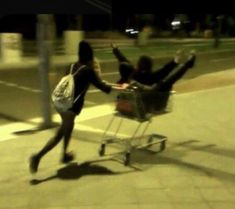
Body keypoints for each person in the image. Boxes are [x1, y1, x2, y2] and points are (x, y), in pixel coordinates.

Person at [29, 41, 125, 174]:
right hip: (69, 107)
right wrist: (121, 88)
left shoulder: (72, 65)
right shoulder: (88, 70)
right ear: (90, 55)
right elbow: (103, 87)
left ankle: (64, 154)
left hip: (60, 102)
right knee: (60, 134)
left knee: (68, 127)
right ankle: (37, 157)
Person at [111, 43, 196, 91]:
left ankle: (187, 64)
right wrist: (175, 61)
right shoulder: (151, 77)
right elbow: (164, 70)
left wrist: (116, 50)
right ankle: (187, 64)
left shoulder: (132, 75)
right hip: (148, 101)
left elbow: (124, 61)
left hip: (136, 102)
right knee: (169, 80)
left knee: (167, 80)